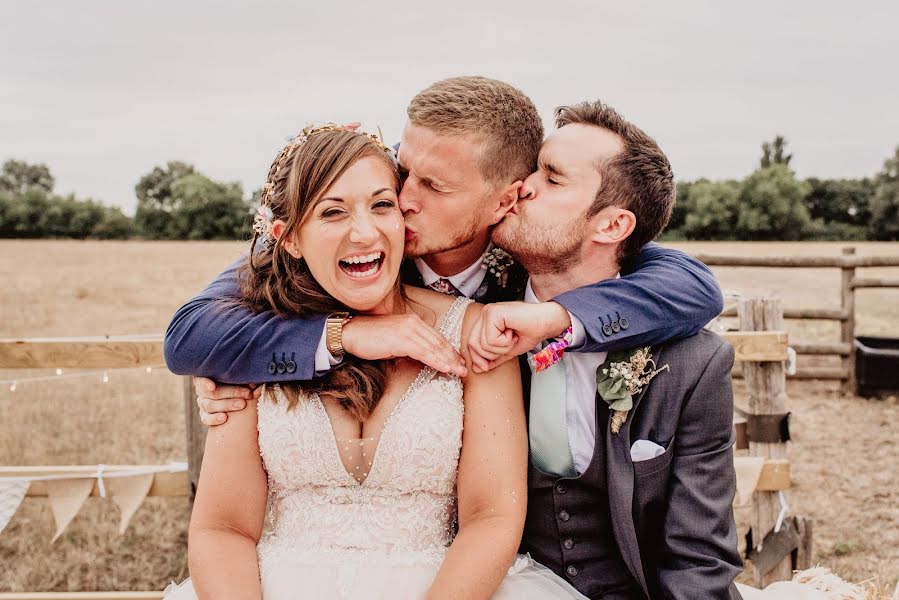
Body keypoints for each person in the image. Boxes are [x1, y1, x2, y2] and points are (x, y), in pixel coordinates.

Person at [164, 124, 587, 599]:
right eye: (332, 212)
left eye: (381, 205)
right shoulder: (251, 343)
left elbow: (491, 517)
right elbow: (223, 528)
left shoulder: (476, 331)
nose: (363, 232)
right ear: (289, 239)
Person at [164, 77, 725, 423]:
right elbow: (191, 334)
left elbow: (693, 287)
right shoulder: (360, 250)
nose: (401, 200)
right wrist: (345, 333)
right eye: (404, 171)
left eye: (434, 187)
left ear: (509, 197)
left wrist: (553, 317)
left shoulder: (528, 269)